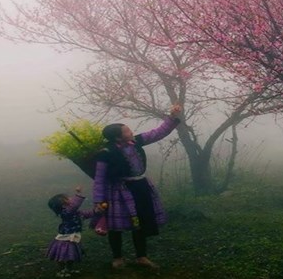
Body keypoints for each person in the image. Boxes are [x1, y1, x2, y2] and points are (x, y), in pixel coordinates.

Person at [92, 104, 182, 270]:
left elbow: (158, 132)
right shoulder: (105, 153)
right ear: (118, 138)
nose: (131, 132)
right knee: (115, 226)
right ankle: (117, 258)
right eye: (126, 131)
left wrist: (172, 116)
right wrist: (98, 200)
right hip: (119, 191)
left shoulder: (136, 142)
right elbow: (99, 178)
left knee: (140, 222)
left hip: (140, 187)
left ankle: (141, 256)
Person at [46, 186, 94, 278]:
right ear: (64, 205)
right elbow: (74, 206)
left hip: (73, 238)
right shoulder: (66, 213)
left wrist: (96, 211)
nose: (71, 199)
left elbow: (86, 214)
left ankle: (68, 269)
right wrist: (78, 194)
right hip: (65, 239)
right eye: (68, 199)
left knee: (71, 256)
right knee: (62, 256)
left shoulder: (74, 212)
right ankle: (61, 271)